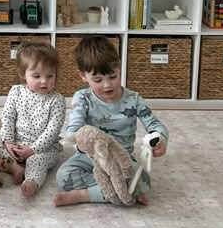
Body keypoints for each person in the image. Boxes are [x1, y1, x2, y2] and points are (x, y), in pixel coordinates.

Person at [54, 35, 168, 207]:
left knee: (143, 180)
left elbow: (155, 125)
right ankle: (113, 192)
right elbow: (74, 129)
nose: (107, 85)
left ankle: (89, 194)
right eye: (98, 80)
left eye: (113, 76)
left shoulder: (134, 99)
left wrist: (160, 139)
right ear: (83, 76)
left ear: (119, 68)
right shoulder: (82, 98)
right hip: (89, 157)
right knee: (63, 176)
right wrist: (79, 144)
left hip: (121, 158)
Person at [0, 41, 65, 199]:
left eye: (50, 75)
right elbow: (8, 117)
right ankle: (14, 167)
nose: (44, 81)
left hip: (43, 147)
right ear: (23, 75)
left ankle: (32, 182)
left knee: (37, 161)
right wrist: (8, 142)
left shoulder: (57, 100)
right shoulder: (16, 92)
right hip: (15, 140)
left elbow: (52, 131)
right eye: (37, 76)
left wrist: (32, 149)